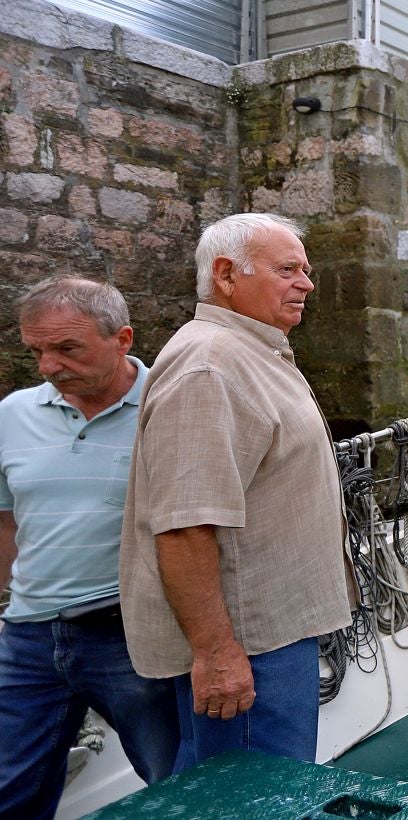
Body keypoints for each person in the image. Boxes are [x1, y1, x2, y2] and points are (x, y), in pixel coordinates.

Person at [120, 213, 351, 771]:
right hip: (251, 646)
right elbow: (183, 524)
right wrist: (218, 654)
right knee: (254, 793)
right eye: (288, 270)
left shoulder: (248, 351)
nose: (308, 283)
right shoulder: (211, 368)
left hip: (270, 633)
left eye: (306, 270)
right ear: (226, 274)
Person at [0, 278, 178, 818]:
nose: (48, 366)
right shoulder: (11, 413)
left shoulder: (169, 407)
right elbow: (6, 515)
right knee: (9, 786)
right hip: (27, 635)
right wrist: (14, 593)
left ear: (122, 338)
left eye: (66, 348)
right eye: (36, 351)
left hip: (128, 633)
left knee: (171, 779)